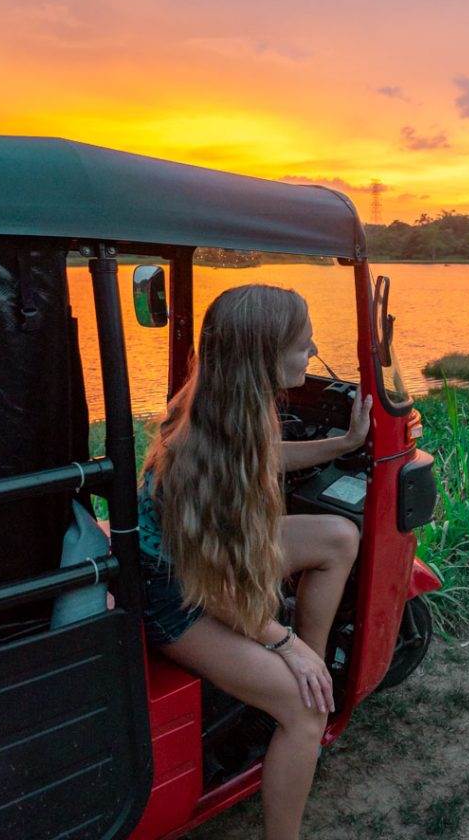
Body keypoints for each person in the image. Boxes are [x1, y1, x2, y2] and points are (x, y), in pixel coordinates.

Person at [137, 284, 372, 840]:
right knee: (306, 709)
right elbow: (211, 586)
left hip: (206, 569)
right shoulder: (204, 449)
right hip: (176, 595)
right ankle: (301, 713)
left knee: (338, 537)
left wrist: (341, 444)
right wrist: (280, 642)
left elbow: (266, 457)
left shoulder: (235, 410)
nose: (312, 353)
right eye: (302, 343)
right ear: (261, 354)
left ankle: (304, 684)